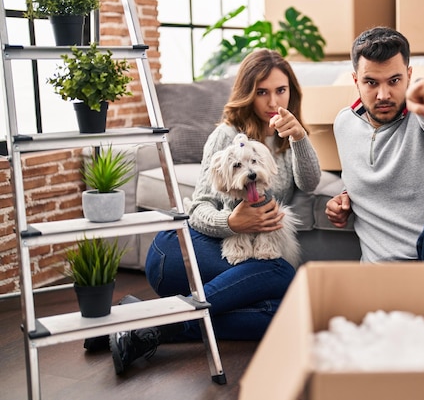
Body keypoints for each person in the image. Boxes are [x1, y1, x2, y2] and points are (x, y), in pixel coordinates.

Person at [108, 48, 321, 374]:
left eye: (281, 90)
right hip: (182, 251)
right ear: (248, 94)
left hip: (243, 263)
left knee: (283, 315)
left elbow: (309, 183)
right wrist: (232, 222)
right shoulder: (226, 134)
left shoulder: (286, 137)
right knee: (281, 274)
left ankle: (146, 325)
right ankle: (150, 324)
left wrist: (299, 138)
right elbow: (197, 209)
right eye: (262, 92)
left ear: (292, 91)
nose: (272, 102)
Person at [325, 27, 424, 263]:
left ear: (409, 76)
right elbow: (364, 175)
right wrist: (344, 199)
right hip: (386, 277)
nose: (383, 95)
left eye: (394, 80)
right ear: (355, 80)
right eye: (371, 82)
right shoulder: (344, 124)